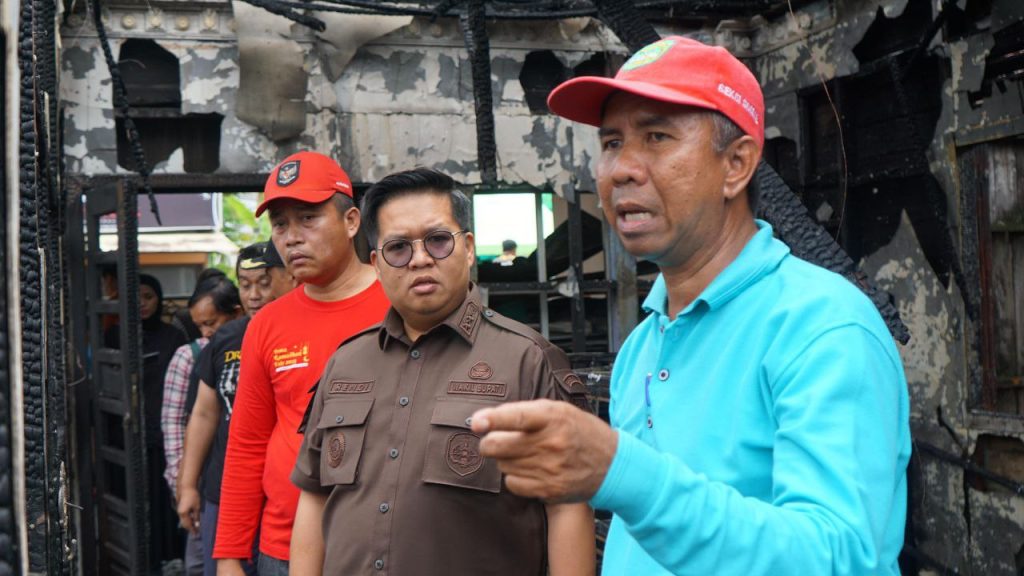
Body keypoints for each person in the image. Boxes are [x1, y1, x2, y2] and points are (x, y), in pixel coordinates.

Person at [470, 36, 911, 576]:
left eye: (656, 136)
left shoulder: (822, 327)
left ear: (737, 165)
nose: (620, 170)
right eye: (611, 142)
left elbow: (838, 559)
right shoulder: (644, 343)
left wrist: (622, 472)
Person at [289, 167, 595, 576]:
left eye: (437, 241)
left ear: (468, 248)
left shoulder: (528, 360)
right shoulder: (346, 362)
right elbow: (313, 497)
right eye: (398, 248)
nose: (419, 260)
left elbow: (567, 506)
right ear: (377, 263)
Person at [213, 151, 390, 576]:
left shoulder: (399, 303)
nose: (291, 237)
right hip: (284, 546)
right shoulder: (267, 324)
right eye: (279, 224)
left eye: (307, 218)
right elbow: (248, 442)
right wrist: (230, 553)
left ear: (351, 223)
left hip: (381, 543)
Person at [177, 241, 296, 576]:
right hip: (226, 488)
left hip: (285, 491)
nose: (254, 295)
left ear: (289, 278)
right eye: (245, 285)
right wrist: (187, 485)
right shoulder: (226, 338)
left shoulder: (300, 331)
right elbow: (203, 414)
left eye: (264, 282)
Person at [162, 276, 245, 575]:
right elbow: (181, 421)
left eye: (212, 322)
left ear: (237, 312)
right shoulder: (193, 354)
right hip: (208, 481)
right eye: (200, 326)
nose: (207, 332)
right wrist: (182, 484)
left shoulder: (256, 338)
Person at [106, 273, 189, 571]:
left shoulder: (173, 336)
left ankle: (164, 559)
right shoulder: (113, 335)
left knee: (160, 500)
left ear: (159, 300)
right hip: (122, 435)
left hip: (161, 435)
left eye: (148, 297)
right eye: (135, 297)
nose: (142, 304)